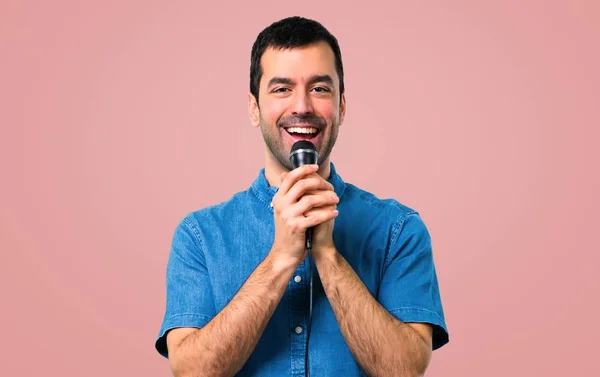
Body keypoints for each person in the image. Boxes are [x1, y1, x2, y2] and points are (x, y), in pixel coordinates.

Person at [155, 16, 449, 377]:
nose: (302, 106)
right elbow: (190, 372)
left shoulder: (398, 230)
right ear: (253, 108)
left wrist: (327, 254)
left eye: (320, 89)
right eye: (281, 89)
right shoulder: (199, 236)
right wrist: (281, 258)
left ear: (341, 106)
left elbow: (405, 371)